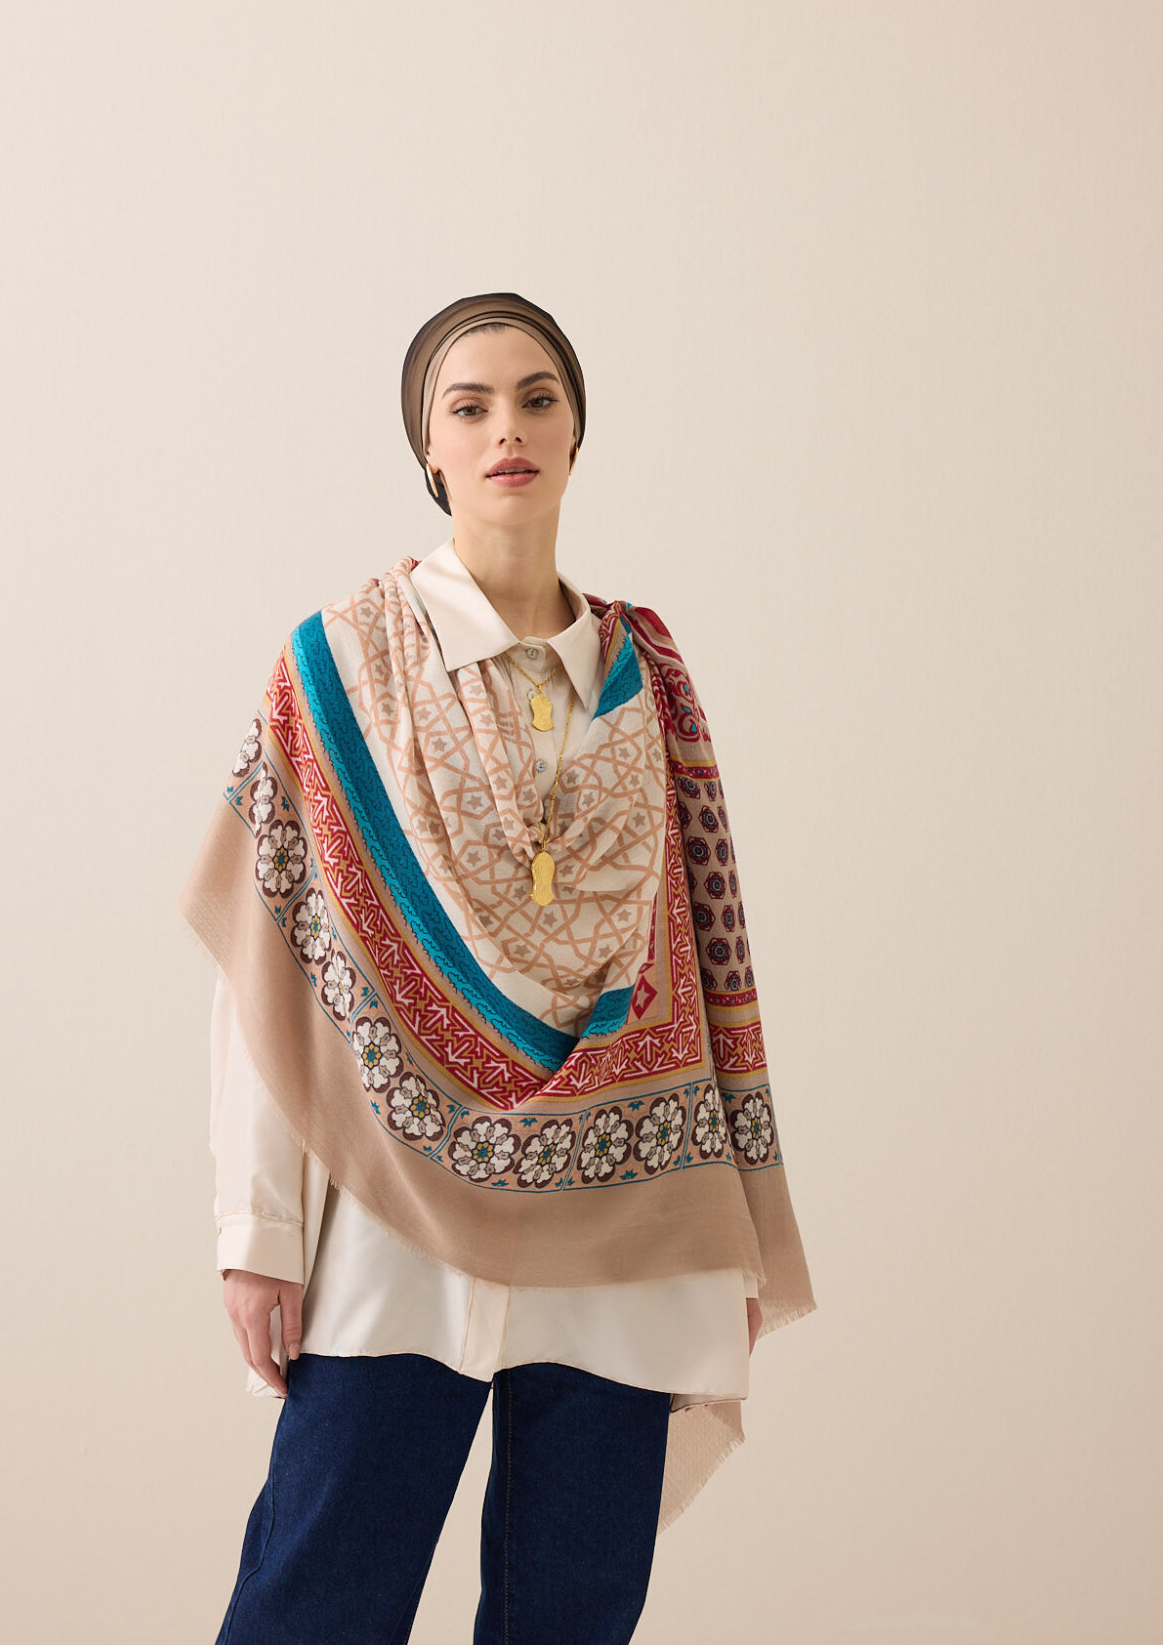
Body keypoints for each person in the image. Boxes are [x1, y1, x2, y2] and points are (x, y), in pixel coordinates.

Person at [179, 292, 816, 1644]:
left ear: (577, 431)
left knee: (568, 1617)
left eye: (536, 398)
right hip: (397, 1207)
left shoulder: (649, 670)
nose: (505, 429)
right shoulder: (342, 663)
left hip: (631, 1215)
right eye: (468, 406)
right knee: (316, 1601)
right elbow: (267, 961)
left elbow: (703, 955)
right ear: (429, 447)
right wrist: (258, 1235)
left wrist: (730, 1232)